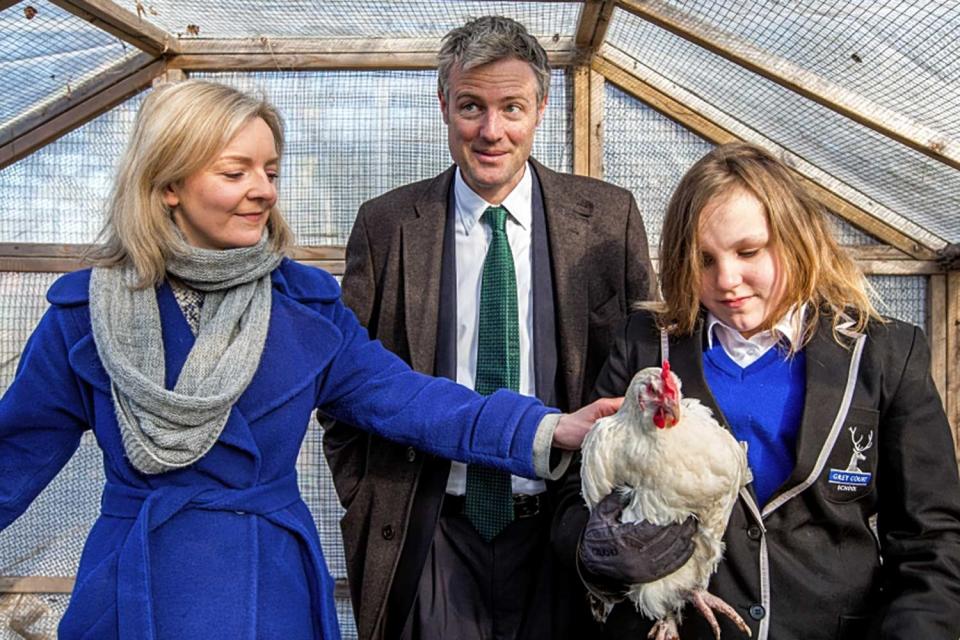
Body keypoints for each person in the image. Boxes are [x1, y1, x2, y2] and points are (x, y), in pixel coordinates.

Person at [0, 80, 621, 640]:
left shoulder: (304, 306)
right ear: (167, 186)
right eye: (235, 172)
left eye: (270, 170)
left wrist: (546, 427)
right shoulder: (86, 315)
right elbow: (15, 455)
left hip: (267, 587)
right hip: (137, 583)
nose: (263, 191)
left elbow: (409, 399)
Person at [320, 15, 691, 640]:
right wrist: (366, 494)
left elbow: (644, 366)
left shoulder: (606, 219)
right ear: (443, 105)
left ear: (541, 108)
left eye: (511, 107)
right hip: (430, 526)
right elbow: (343, 387)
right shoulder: (387, 226)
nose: (491, 131)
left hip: (565, 527)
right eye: (471, 106)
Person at [552, 142, 960, 639]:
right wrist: (600, 553)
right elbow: (578, 494)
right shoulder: (645, 346)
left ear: (796, 239)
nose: (727, 280)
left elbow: (932, 541)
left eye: (749, 252)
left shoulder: (884, 354)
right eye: (704, 260)